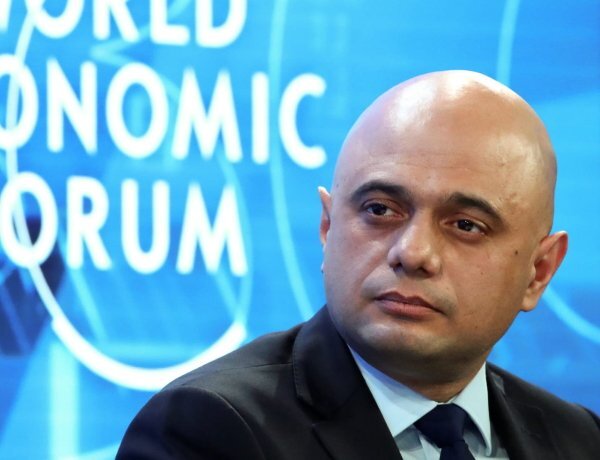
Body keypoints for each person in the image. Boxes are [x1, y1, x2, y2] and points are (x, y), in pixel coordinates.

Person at [117, 70, 600, 459]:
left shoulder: (580, 440)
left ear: (539, 272)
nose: (412, 253)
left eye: (465, 225)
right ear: (328, 228)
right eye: (380, 210)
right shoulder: (210, 430)